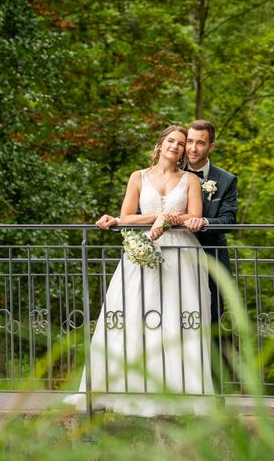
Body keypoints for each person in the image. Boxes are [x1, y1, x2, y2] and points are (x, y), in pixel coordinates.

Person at [64, 125, 215, 416]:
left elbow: (195, 216)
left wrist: (169, 221)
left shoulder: (191, 180)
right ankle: (126, 387)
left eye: (182, 144)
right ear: (160, 145)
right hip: (142, 250)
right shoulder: (138, 177)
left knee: (177, 317)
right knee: (131, 313)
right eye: (171, 140)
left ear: (185, 152)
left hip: (181, 254)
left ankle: (180, 391)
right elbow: (126, 216)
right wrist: (158, 216)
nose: (176, 146)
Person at [98, 119, 238, 326]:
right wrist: (119, 220)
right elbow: (138, 212)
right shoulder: (140, 176)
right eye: (188, 142)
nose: (191, 147)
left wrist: (200, 220)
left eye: (199, 143)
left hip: (205, 254)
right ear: (160, 144)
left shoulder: (224, 180)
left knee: (208, 316)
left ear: (211, 147)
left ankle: (211, 359)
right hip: (153, 247)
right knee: (142, 308)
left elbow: (228, 219)